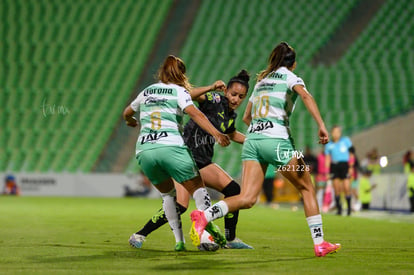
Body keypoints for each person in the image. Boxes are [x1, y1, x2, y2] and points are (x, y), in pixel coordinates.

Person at [190, 42, 340, 257]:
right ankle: (320, 243)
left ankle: (204, 216)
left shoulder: (262, 81)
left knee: (247, 198)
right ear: (293, 64)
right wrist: (321, 125)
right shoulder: (290, 77)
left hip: (253, 141)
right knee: (307, 187)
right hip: (277, 141)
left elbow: (245, 117)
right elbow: (306, 96)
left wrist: (260, 131)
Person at [129, 70, 253, 249]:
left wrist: (253, 141)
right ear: (226, 92)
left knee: (234, 190)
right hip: (185, 157)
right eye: (233, 94)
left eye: (241, 96)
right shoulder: (215, 99)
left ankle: (230, 239)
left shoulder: (230, 116)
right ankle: (140, 234)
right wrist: (210, 87)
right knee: (180, 204)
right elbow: (188, 95)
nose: (236, 99)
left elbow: (232, 133)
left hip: (203, 161)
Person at [325, 126, 353, 216]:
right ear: (331, 133)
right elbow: (327, 158)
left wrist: (351, 166)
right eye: (334, 132)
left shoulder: (346, 141)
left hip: (344, 165)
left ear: (340, 133)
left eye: (338, 132)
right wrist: (327, 171)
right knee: (336, 188)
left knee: (346, 187)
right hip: (334, 166)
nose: (336, 134)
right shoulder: (329, 145)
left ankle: (349, 209)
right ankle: (339, 209)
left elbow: (352, 154)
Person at [349, 146, 361, 211]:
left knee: (354, 191)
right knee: (351, 191)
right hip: (350, 177)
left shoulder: (354, 158)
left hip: (354, 176)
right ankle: (353, 206)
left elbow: (356, 167)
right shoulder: (350, 157)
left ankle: (358, 203)